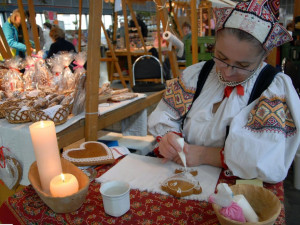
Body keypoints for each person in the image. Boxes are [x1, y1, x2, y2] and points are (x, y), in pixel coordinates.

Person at [148, 0, 299, 183]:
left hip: (235, 191)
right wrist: (168, 139)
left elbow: (266, 162)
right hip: (183, 178)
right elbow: (165, 117)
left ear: (263, 57)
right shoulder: (197, 75)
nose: (227, 72)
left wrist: (205, 155)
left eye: (243, 66)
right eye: (221, 57)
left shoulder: (271, 89)